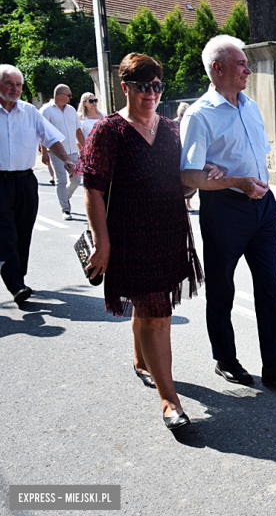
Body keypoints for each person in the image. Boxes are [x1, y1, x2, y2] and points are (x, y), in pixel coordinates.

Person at [78, 53, 211, 431]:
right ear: (125, 87)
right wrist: (102, 241)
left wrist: (202, 178)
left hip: (169, 233)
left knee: (151, 303)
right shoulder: (108, 131)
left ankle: (140, 360)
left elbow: (180, 184)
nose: (151, 93)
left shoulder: (171, 129)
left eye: (157, 86)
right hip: (130, 237)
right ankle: (170, 402)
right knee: (158, 315)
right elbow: (93, 189)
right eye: (143, 86)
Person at [180, 35, 276, 387]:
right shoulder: (199, 115)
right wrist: (234, 182)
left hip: (263, 208)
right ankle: (225, 358)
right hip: (226, 209)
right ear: (218, 68)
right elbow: (188, 175)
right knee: (222, 290)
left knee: (269, 287)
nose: (248, 70)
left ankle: (275, 365)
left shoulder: (249, 105)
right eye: (241, 64)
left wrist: (255, 187)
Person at [0, 64, 74, 305]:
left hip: (25, 181)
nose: (15, 89)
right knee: (7, 235)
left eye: (18, 84)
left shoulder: (30, 112)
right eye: (9, 83)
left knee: (23, 232)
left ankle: (18, 279)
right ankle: (15, 284)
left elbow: (50, 139)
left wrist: (66, 160)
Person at [40, 84, 85, 221]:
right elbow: (43, 133)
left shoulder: (71, 110)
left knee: (77, 179)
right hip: (56, 152)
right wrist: (44, 153)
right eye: (69, 95)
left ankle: (64, 197)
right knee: (61, 179)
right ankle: (65, 209)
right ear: (60, 95)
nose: (71, 98)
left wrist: (84, 148)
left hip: (73, 150)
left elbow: (78, 130)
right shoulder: (46, 111)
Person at [174, 103, 195, 211]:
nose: (183, 117)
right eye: (182, 114)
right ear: (178, 113)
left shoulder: (189, 123)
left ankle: (188, 203)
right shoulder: (173, 124)